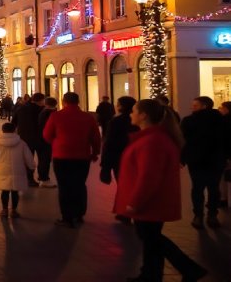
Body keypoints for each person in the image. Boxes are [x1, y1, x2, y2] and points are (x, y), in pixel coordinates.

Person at [115, 99, 208, 282]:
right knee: (151, 240)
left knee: (152, 238)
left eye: (134, 111)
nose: (131, 114)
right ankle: (151, 274)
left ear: (143, 115)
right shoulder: (154, 138)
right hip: (154, 200)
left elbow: (149, 176)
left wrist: (135, 202)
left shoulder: (152, 141)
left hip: (151, 202)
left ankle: (189, 268)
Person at [43, 92, 101, 228]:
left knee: (64, 186)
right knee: (79, 184)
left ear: (63, 102)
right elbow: (96, 137)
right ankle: (79, 213)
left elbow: (46, 135)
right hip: (82, 156)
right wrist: (95, 153)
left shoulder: (56, 116)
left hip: (61, 156)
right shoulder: (88, 117)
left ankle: (67, 217)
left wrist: (57, 143)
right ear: (78, 101)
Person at [180, 96, 226, 229]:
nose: (192, 107)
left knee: (197, 188)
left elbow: (183, 141)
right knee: (214, 187)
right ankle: (212, 215)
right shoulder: (220, 120)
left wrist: (182, 158)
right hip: (216, 158)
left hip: (196, 159)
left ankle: (198, 216)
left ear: (204, 106)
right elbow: (225, 140)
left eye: (195, 105)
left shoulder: (189, 121)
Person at [99, 96, 139, 224]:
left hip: (119, 158)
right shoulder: (138, 121)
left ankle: (126, 212)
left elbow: (109, 143)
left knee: (123, 185)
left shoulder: (116, 122)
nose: (116, 105)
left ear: (121, 106)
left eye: (118, 103)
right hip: (136, 157)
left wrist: (105, 166)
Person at [0, 122, 35, 218]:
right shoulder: (21, 143)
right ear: (14, 130)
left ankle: (4, 210)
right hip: (18, 170)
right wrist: (32, 166)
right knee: (15, 192)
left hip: (3, 170)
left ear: (3, 130)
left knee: (4, 191)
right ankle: (14, 210)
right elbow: (28, 157)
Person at [14, 93, 45, 187]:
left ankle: (28, 178)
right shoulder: (41, 110)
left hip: (24, 137)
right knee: (43, 158)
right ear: (40, 100)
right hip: (39, 138)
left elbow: (14, 122)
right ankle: (42, 177)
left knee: (28, 158)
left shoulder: (21, 108)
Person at [37, 97, 58, 188]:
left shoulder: (43, 112)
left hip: (42, 139)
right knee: (45, 159)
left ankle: (42, 177)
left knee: (43, 159)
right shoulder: (50, 114)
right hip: (47, 140)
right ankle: (44, 178)